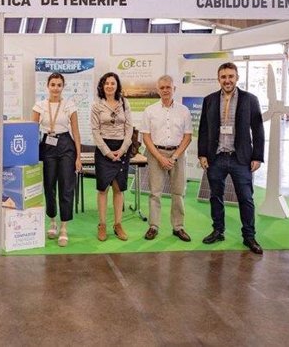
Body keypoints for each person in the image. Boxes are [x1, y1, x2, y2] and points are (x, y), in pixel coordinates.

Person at [198, 62, 265, 255]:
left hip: (240, 158)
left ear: (237, 78)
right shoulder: (209, 100)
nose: (227, 80)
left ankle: (249, 236)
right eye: (223, 77)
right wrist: (202, 154)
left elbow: (258, 129)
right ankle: (218, 230)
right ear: (218, 79)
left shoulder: (250, 100)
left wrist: (257, 156)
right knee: (215, 197)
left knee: (246, 198)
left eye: (230, 76)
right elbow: (203, 129)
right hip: (216, 158)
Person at [31, 72, 82, 247]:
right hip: (47, 146)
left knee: (66, 186)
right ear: (47, 86)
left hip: (66, 145)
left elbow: (76, 132)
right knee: (49, 185)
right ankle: (52, 222)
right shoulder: (39, 105)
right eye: (53, 84)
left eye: (59, 85)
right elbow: (31, 130)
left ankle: (64, 227)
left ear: (63, 87)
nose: (55, 88)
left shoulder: (69, 105)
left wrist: (78, 157)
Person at [140, 75, 192, 242]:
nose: (165, 90)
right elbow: (146, 137)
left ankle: (178, 227)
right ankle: (153, 226)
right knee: (155, 193)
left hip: (178, 154)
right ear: (158, 90)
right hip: (156, 155)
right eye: (162, 88)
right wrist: (160, 157)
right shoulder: (150, 111)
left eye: (168, 87)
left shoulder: (184, 111)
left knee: (178, 192)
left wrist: (175, 156)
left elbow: (188, 136)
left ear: (174, 89)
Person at [90, 72, 133, 241]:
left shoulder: (124, 103)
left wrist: (122, 150)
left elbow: (129, 127)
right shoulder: (96, 105)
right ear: (102, 86)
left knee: (118, 188)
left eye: (112, 83)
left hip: (122, 148)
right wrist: (107, 152)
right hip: (103, 149)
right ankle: (102, 225)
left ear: (117, 86)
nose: (109, 86)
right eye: (106, 83)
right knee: (103, 189)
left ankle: (118, 224)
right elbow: (95, 130)